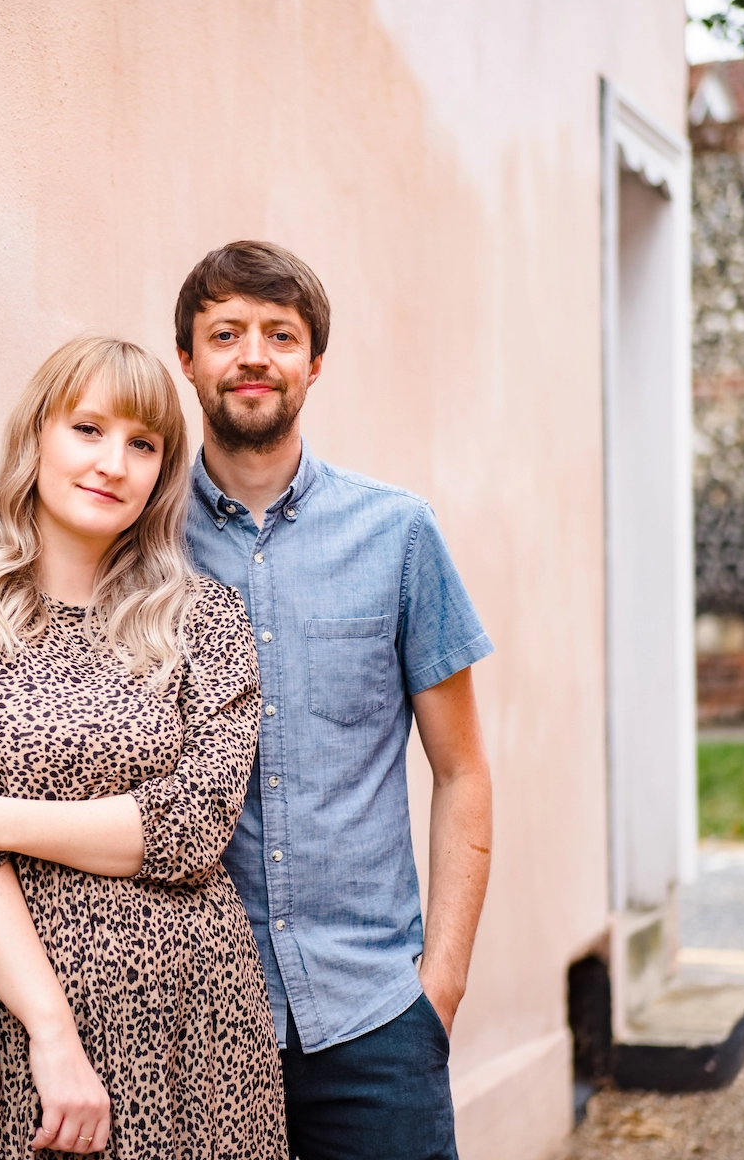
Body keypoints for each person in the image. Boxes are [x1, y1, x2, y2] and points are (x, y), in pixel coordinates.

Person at [0, 335, 286, 1159]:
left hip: (193, 1023)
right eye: (88, 429)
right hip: (5, 1019)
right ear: (36, 437)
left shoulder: (205, 619)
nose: (113, 463)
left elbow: (195, 828)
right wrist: (51, 1033)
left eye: (142, 445)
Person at [174, 241, 495, 1160]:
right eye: (225, 332)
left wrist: (440, 987)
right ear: (189, 360)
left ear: (314, 364)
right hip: (198, 1020)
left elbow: (463, 770)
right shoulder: (143, 548)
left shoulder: (398, 534)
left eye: (280, 334)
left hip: (376, 1019)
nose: (252, 356)